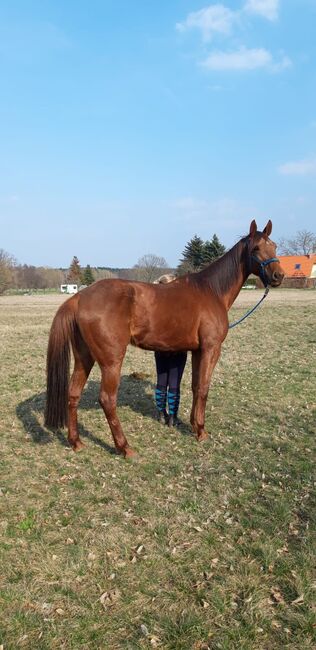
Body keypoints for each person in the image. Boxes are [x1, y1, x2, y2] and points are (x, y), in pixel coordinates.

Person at [153, 275, 187, 427]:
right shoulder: (180, 305)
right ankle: (173, 417)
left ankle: (161, 414)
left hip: (159, 348)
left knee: (161, 380)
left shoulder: (155, 306)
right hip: (178, 348)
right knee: (174, 382)